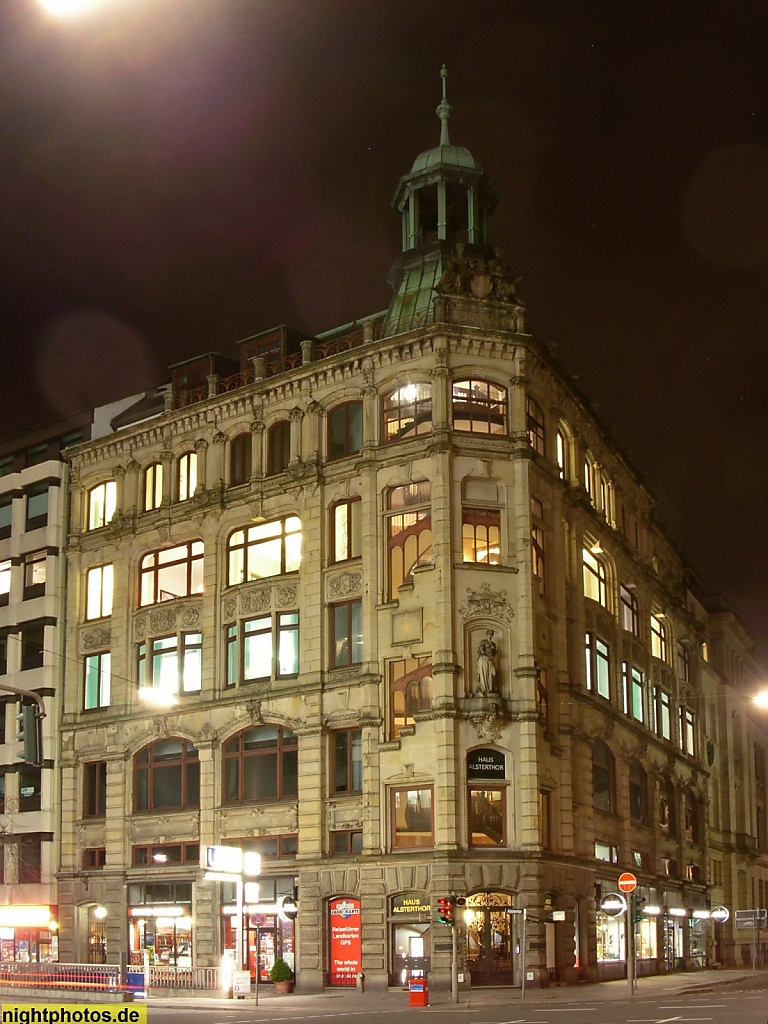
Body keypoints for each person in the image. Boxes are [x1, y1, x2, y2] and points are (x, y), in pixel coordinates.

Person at [476, 629, 498, 694]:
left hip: (490, 660)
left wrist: (495, 652)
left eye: (491, 634)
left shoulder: (493, 644)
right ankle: (484, 689)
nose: (490, 635)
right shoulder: (483, 641)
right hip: (484, 659)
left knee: (493, 673)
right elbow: (480, 649)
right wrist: (485, 653)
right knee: (484, 673)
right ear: (487, 634)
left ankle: (490, 688)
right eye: (489, 634)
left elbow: (494, 653)